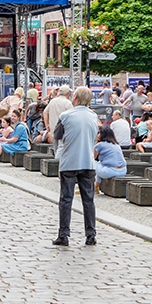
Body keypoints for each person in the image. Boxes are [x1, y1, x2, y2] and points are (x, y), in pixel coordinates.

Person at [52, 86, 99, 246]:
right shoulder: (93, 116)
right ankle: (91, 234)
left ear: (76, 97)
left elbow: (57, 135)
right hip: (87, 161)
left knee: (66, 199)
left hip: (69, 162)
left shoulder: (66, 116)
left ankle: (63, 234)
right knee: (88, 200)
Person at [93, 124, 126, 192]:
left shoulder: (99, 145)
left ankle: (94, 186)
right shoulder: (116, 144)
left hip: (110, 172)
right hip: (123, 171)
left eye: (99, 133)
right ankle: (96, 186)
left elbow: (93, 157)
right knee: (100, 164)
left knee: (93, 163)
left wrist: (96, 141)